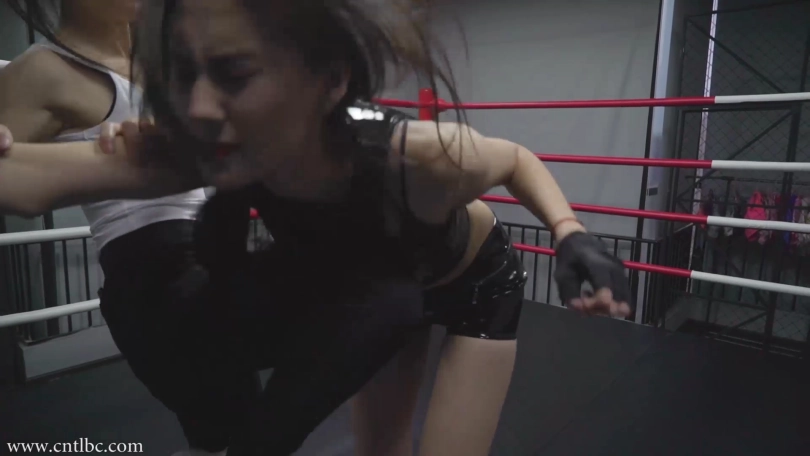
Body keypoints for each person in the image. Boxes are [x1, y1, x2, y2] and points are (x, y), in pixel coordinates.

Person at [0, 0, 632, 454]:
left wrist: (569, 232)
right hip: (378, 292)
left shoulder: (413, 156)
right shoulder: (225, 141)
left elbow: (514, 158)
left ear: (324, 85)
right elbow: (34, 182)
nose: (200, 105)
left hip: (473, 286)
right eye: (187, 73)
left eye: (234, 73)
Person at [0, 2, 258, 455]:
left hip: (214, 249)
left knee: (242, 425)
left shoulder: (162, 62)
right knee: (237, 428)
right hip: (153, 272)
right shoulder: (42, 70)